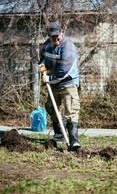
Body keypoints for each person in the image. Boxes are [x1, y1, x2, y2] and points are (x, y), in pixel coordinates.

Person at [39, 22, 81, 150]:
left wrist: (49, 78)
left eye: (58, 35)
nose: (56, 39)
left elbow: (63, 72)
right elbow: (42, 58)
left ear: (61, 33)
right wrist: (42, 66)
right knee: (51, 108)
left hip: (68, 82)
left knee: (71, 110)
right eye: (53, 37)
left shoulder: (68, 47)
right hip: (53, 84)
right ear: (49, 36)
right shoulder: (46, 45)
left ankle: (73, 140)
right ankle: (59, 135)